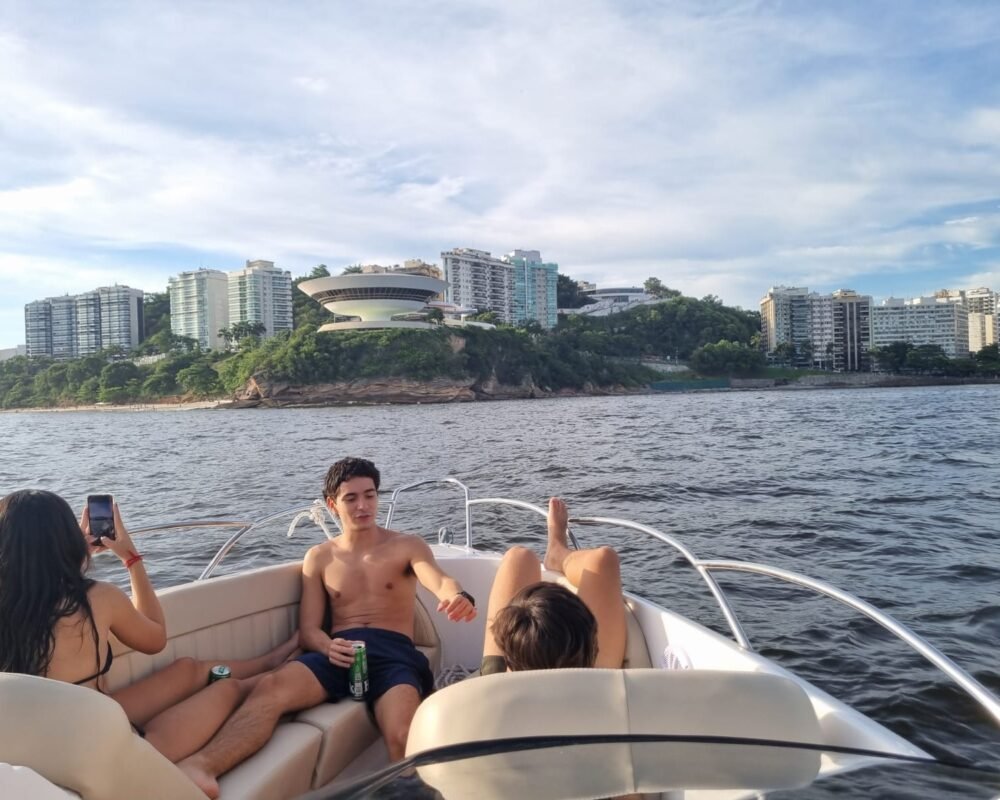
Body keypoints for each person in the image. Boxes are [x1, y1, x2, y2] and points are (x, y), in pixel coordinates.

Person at [178, 457, 478, 798]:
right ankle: (202, 767)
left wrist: (457, 595)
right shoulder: (319, 557)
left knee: (402, 733)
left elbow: (438, 579)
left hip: (395, 654)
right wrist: (325, 646)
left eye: (370, 495)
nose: (363, 506)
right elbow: (308, 629)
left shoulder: (406, 545)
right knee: (271, 687)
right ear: (332, 505)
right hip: (337, 651)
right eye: (351, 498)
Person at [0, 489, 298, 764]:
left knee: (187, 669)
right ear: (65, 539)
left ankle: (270, 661)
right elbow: (155, 637)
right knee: (227, 689)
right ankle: (205, 763)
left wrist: (71, 559)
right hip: (97, 751)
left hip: (45, 745)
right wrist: (130, 557)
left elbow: (42, 591)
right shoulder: (97, 599)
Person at [481, 497, 627, 673]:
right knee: (604, 560)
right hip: (589, 686)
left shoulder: (486, 693)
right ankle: (558, 553)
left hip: (506, 688)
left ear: (508, 662)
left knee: (519, 558)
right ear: (594, 648)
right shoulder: (602, 688)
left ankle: (556, 552)